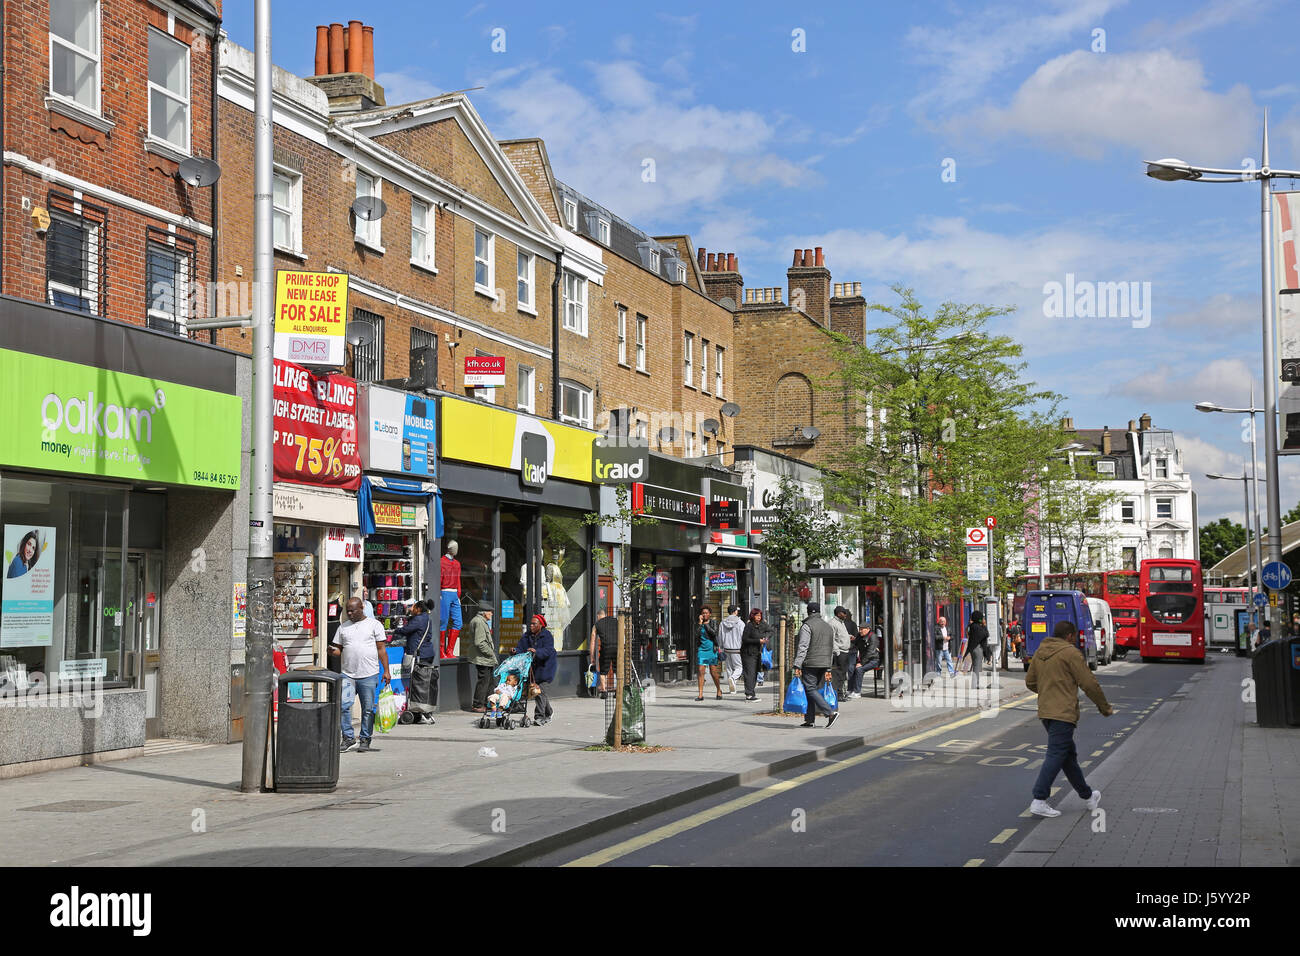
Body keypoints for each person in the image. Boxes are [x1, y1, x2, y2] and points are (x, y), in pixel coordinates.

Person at [1025, 620, 1114, 817]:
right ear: (1070, 636)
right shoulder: (1071, 653)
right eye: (1074, 637)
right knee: (1057, 753)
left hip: (1046, 711)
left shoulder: (1040, 652)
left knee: (1068, 756)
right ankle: (1039, 799)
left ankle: (1089, 797)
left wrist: (1048, 692)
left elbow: (1030, 681)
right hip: (1063, 712)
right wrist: (1104, 707)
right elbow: (1089, 683)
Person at [329, 598, 390, 753]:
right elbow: (339, 650)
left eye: (353, 610)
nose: (349, 613)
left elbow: (381, 649)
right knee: (343, 706)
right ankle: (348, 738)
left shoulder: (374, 625)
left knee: (368, 709)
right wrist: (332, 651)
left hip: (369, 674)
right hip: (348, 675)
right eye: (347, 610)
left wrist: (387, 671)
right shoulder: (343, 627)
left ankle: (365, 738)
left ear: (361, 608)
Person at [792, 602, 839, 729]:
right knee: (811, 690)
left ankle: (830, 713)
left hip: (811, 662)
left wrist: (797, 664)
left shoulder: (807, 626)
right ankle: (809, 720)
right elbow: (831, 648)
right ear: (819, 612)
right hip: (824, 663)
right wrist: (828, 667)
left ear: (808, 612)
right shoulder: (828, 627)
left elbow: (803, 646)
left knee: (810, 689)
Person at [394, 600, 437, 724]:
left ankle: (418, 709)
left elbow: (405, 630)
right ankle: (424, 709)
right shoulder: (426, 618)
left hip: (420, 655)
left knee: (418, 683)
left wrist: (395, 628)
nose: (411, 608)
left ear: (418, 608)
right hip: (427, 653)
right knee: (424, 683)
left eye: (413, 606)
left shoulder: (418, 619)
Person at [514, 614, 556, 725]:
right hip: (532, 669)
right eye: (530, 624)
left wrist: (537, 652)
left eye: (534, 624)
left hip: (545, 668)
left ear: (541, 625)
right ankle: (549, 712)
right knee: (539, 692)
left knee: (539, 692)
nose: (531, 626)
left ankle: (539, 717)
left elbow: (548, 650)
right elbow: (521, 648)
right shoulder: (526, 636)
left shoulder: (547, 636)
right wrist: (515, 651)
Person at [465, 604, 496, 713]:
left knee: (489, 682)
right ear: (484, 612)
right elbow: (480, 642)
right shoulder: (479, 622)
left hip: (485, 658)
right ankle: (478, 705)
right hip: (483, 658)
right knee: (484, 681)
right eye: (490, 612)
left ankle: (489, 703)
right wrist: (490, 653)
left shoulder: (480, 621)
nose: (491, 614)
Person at [740, 608, 771, 700]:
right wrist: (758, 641)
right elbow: (745, 639)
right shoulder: (749, 626)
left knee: (755, 673)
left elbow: (770, 630)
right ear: (753, 616)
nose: (759, 617)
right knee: (750, 673)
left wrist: (766, 637)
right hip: (748, 653)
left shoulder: (762, 624)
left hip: (757, 652)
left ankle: (751, 692)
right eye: (757, 615)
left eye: (760, 615)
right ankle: (749, 694)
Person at [695, 607, 723, 701]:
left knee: (713, 672)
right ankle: (700, 694)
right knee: (700, 671)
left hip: (711, 649)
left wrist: (705, 624)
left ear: (710, 614)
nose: (704, 615)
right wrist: (700, 623)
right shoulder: (699, 623)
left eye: (706, 613)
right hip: (701, 650)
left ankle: (719, 690)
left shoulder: (713, 622)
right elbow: (696, 635)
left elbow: (714, 633)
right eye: (703, 613)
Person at [592, 608, 620, 696]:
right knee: (617, 670)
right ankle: (618, 691)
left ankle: (604, 691)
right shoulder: (616, 621)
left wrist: (592, 656)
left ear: (598, 616)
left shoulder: (597, 624)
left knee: (603, 671)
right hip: (617, 648)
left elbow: (593, 641)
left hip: (606, 649)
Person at [718, 606, 746, 694]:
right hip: (737, 648)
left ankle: (732, 689)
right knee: (739, 667)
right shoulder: (740, 623)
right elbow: (743, 636)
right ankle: (733, 678)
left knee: (729, 668)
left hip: (726, 648)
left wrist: (721, 647)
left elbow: (720, 635)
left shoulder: (723, 623)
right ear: (735, 612)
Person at [830, 607, 855, 700]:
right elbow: (831, 639)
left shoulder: (841, 623)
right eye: (843, 613)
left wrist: (849, 637)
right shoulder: (833, 623)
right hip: (839, 652)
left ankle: (841, 693)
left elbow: (840, 635)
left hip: (845, 651)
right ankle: (838, 694)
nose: (845, 615)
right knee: (839, 674)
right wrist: (837, 651)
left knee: (843, 674)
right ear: (838, 613)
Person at [967, 610, 990, 689]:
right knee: (977, 667)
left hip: (973, 648)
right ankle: (975, 684)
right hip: (977, 648)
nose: (983, 619)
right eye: (982, 618)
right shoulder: (977, 627)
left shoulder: (972, 626)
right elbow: (986, 634)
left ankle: (976, 683)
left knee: (975, 666)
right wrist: (984, 625)